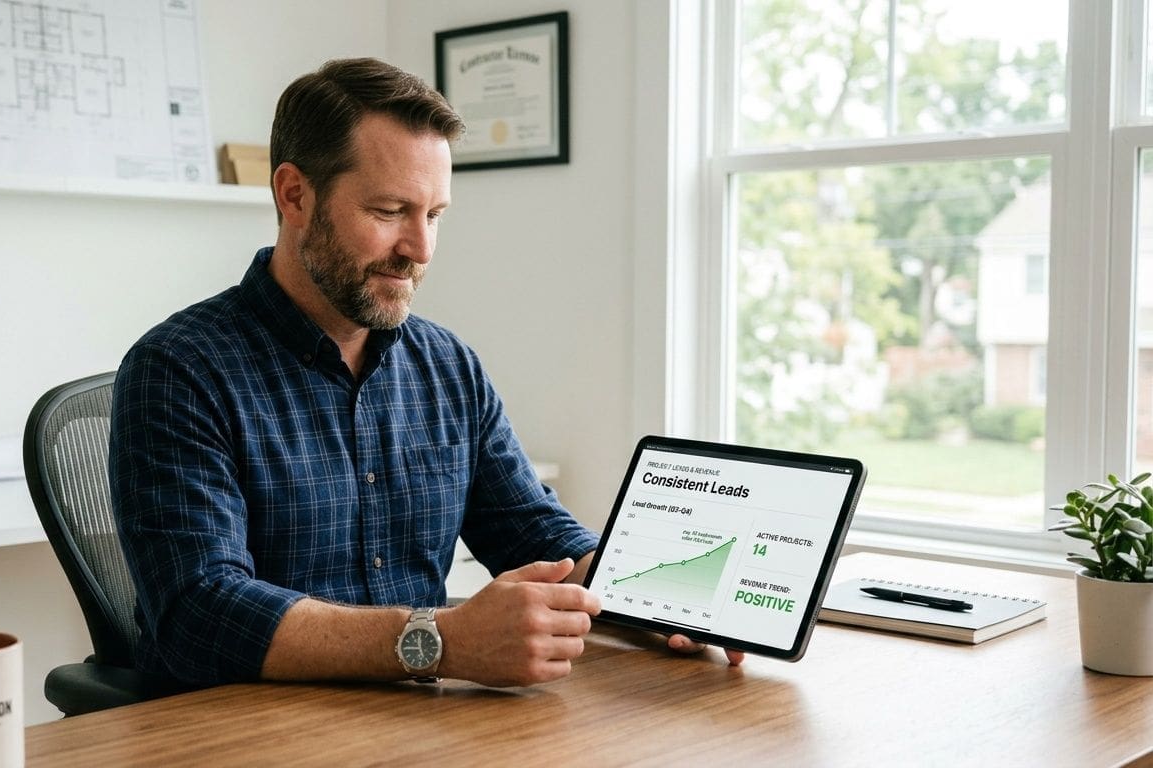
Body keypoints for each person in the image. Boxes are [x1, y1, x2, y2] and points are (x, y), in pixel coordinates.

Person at [109, 57, 743, 688]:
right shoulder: (178, 371)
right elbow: (201, 611)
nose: (421, 249)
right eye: (390, 211)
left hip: (416, 725)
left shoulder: (447, 366)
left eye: (434, 215)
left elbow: (532, 533)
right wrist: (438, 642)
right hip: (240, 733)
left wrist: (666, 598)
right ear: (294, 194)